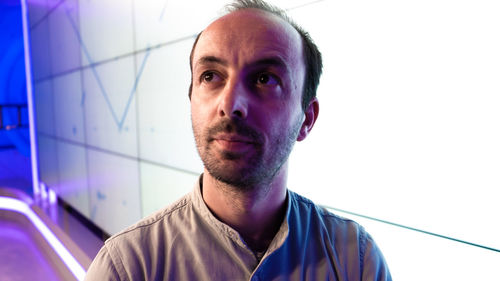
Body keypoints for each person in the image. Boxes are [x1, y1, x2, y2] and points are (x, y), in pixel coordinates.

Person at [85, 0, 392, 280]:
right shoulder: (125, 268)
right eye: (210, 76)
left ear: (307, 119)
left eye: (264, 79)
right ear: (191, 100)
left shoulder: (356, 261)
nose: (231, 104)